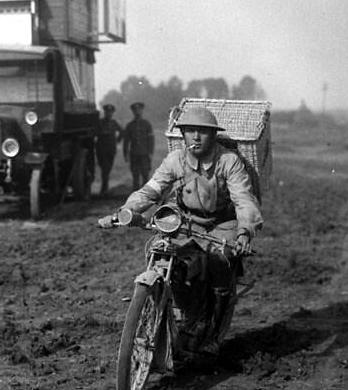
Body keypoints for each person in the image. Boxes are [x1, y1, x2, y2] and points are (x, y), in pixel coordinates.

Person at [99, 102, 262, 358]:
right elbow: (151, 190)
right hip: (185, 222)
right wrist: (125, 212)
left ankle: (214, 331)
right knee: (163, 253)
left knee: (221, 262)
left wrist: (244, 232)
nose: (196, 137)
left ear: (213, 135)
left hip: (222, 224)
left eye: (203, 131)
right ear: (183, 134)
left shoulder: (228, 161)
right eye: (189, 130)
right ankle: (175, 311)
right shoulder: (175, 160)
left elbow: (243, 200)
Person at [122, 101, 154, 192]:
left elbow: (151, 140)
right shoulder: (130, 125)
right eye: (135, 110)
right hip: (134, 154)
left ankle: (146, 195)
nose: (137, 112)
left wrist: (150, 152)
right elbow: (126, 142)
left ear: (142, 111)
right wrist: (125, 155)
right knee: (135, 175)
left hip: (145, 154)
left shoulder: (147, 124)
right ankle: (136, 195)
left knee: (145, 174)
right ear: (133, 112)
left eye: (139, 110)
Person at [95, 103, 123, 196]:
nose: (109, 114)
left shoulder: (114, 123)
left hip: (111, 150)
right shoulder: (99, 123)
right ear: (105, 112)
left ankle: (104, 189)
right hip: (101, 150)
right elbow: (94, 133)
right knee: (104, 169)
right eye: (107, 112)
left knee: (107, 169)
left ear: (112, 113)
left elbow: (122, 132)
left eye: (111, 112)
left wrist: (117, 141)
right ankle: (104, 189)